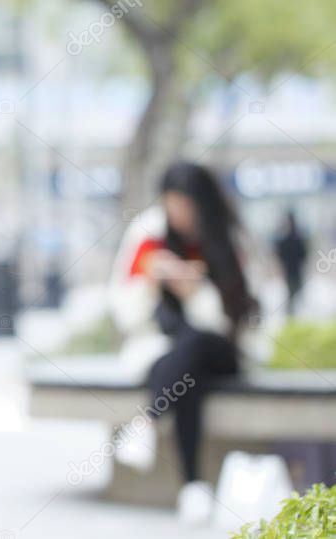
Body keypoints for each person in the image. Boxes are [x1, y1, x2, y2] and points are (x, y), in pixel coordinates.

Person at [108, 162, 258, 524]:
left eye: (185, 206)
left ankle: (148, 421)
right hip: (169, 354)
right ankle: (193, 488)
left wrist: (192, 292)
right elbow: (124, 312)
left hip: (222, 349)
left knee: (195, 347)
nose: (178, 216)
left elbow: (234, 323)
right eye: (172, 205)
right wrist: (151, 280)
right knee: (188, 376)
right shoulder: (149, 235)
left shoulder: (228, 239)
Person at [274, 209, 308, 315]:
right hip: (293, 269)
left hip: (293, 269)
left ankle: (293, 314)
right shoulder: (296, 238)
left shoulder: (291, 239)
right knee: (294, 294)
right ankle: (292, 314)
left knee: (294, 294)